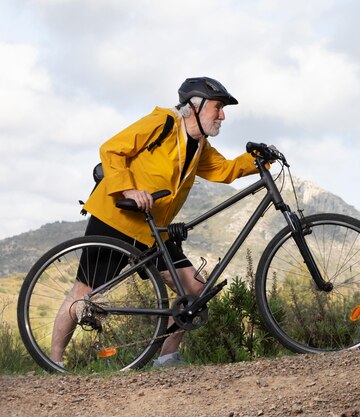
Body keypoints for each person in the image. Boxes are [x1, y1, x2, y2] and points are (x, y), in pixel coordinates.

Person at [51, 76, 270, 368]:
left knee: (195, 292)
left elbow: (224, 170)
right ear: (195, 107)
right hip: (117, 218)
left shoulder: (199, 145)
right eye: (217, 108)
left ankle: (167, 358)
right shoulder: (163, 122)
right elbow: (111, 148)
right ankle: (53, 363)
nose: (222, 115)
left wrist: (258, 159)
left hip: (153, 230)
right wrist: (128, 189)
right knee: (84, 291)